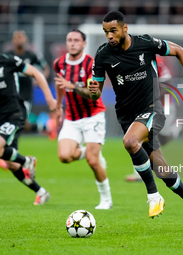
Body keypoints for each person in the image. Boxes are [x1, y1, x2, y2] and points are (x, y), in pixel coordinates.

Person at [88, 11, 183, 232]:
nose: (109, 36)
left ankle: (153, 196)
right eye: (106, 32)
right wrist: (93, 91)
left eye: (113, 30)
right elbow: (94, 92)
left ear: (125, 28)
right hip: (126, 115)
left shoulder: (145, 43)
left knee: (130, 142)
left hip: (152, 109)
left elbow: (179, 50)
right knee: (162, 170)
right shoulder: (103, 54)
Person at [0, 29, 56, 205]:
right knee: (11, 164)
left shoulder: (8, 60)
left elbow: (36, 73)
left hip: (15, 113)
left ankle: (28, 160)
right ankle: (41, 191)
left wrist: (49, 98)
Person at [53, 29, 112, 210]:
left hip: (93, 115)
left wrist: (73, 86)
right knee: (64, 156)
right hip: (72, 117)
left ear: (84, 43)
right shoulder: (59, 63)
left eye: (76, 40)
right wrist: (58, 105)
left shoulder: (91, 65)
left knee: (93, 162)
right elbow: (60, 84)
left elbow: (93, 95)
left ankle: (106, 199)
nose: (72, 43)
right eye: (69, 40)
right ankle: (91, 150)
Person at [0, 30, 51, 170]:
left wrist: (39, 79)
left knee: (17, 124)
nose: (19, 40)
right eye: (16, 37)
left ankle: (11, 157)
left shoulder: (31, 56)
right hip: (11, 96)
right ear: (13, 40)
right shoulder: (9, 56)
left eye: (21, 37)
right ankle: (45, 128)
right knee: (21, 125)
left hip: (25, 96)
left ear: (25, 40)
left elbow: (45, 68)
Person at [125, 56, 181, 182]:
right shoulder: (131, 61)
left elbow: (168, 82)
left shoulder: (156, 60)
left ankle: (176, 129)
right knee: (142, 137)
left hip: (164, 106)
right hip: (146, 108)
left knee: (164, 138)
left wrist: (151, 96)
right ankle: (139, 173)